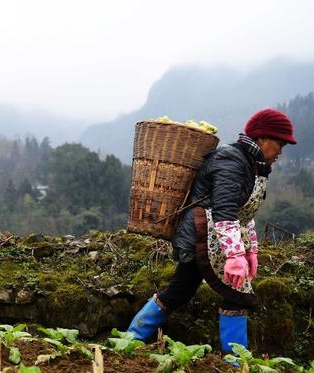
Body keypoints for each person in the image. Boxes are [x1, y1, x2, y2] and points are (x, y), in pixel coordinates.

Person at [126, 108, 297, 353]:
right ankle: (237, 361)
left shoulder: (253, 166)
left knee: (180, 291)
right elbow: (224, 210)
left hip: (213, 236)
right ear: (262, 139)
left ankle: (130, 339)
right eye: (279, 143)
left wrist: (251, 251)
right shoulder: (231, 160)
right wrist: (235, 257)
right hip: (202, 234)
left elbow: (244, 213)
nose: (281, 151)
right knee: (237, 294)